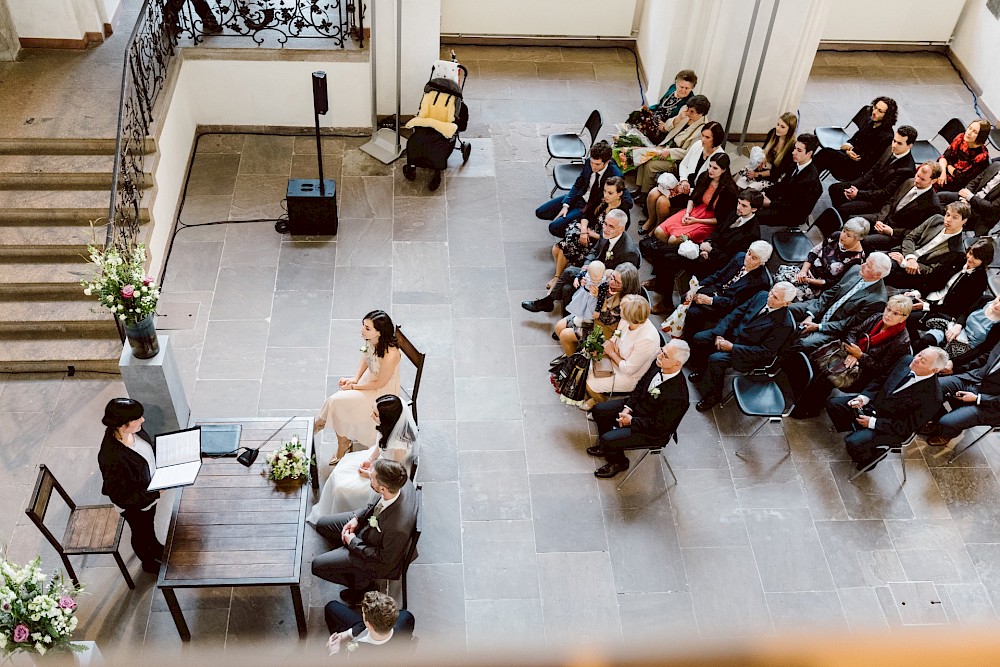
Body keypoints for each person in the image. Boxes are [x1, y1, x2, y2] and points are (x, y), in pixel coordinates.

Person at [312, 459, 417, 605]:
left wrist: (353, 542)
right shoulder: (399, 481)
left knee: (317, 566)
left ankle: (363, 586)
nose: (369, 477)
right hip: (367, 525)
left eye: (372, 478)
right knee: (322, 525)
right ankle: (345, 556)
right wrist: (356, 518)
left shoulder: (397, 528)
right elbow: (374, 503)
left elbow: (384, 559)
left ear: (383, 489)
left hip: (374, 556)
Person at [826, 347, 948, 472]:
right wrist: (864, 397)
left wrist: (873, 423)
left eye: (923, 361)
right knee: (833, 404)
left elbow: (906, 427)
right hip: (875, 404)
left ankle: (871, 458)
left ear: (934, 370)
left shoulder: (933, 398)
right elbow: (881, 380)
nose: (916, 360)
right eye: (919, 355)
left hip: (891, 426)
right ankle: (855, 429)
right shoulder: (906, 360)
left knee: (853, 442)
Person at [792, 296, 913, 419]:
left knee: (827, 375)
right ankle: (801, 397)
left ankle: (808, 409)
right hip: (851, 354)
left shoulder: (901, 341)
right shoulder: (877, 317)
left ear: (904, 317)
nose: (888, 315)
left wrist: (860, 356)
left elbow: (881, 369)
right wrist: (853, 351)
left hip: (866, 374)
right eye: (888, 309)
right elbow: (853, 332)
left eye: (895, 313)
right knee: (818, 361)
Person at [643, 189, 763, 313]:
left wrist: (710, 251)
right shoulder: (735, 213)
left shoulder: (752, 234)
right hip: (706, 249)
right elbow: (717, 231)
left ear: (754, 209)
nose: (739, 207)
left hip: (715, 264)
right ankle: (659, 283)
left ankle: (666, 302)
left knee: (669, 258)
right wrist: (707, 242)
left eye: (744, 206)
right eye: (739, 203)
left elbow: (733, 259)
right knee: (659, 249)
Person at [588, 340, 691, 479]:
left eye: (665, 355)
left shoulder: (678, 396)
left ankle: (619, 462)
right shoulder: (658, 363)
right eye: (662, 350)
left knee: (607, 439)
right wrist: (628, 408)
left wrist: (631, 421)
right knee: (599, 410)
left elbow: (659, 426)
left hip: (652, 431)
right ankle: (609, 447)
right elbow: (641, 385)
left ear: (677, 364)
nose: (659, 355)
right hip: (639, 407)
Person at [308, 395, 417, 525]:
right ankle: (328, 513)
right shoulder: (387, 427)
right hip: (380, 463)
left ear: (387, 419)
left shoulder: (399, 446)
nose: (372, 416)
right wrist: (371, 459)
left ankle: (339, 519)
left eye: (375, 414)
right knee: (340, 470)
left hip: (387, 477)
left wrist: (370, 474)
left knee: (341, 489)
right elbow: (380, 444)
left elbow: (392, 473)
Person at [688, 282, 797, 412]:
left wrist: (732, 348)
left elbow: (764, 352)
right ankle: (702, 370)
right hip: (733, 334)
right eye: (771, 292)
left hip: (747, 351)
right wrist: (719, 333)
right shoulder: (762, 295)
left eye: (775, 297)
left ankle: (713, 395)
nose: (770, 297)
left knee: (716, 359)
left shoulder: (784, 325)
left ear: (786, 304)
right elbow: (737, 313)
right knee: (699, 338)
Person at [315, 310, 401, 465]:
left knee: (337, 402)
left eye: (367, 328)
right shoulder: (372, 339)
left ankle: (325, 428)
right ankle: (338, 438)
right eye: (363, 325)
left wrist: (354, 387)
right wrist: (354, 378)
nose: (362, 330)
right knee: (336, 401)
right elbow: (366, 357)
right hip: (368, 381)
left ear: (380, 332)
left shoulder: (391, 354)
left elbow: (380, 383)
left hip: (380, 392)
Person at [522, 209, 639, 313]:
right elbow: (594, 251)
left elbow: (620, 282)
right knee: (567, 288)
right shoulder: (607, 233)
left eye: (611, 226)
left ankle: (548, 304)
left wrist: (594, 278)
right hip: (594, 271)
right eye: (605, 224)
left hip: (607, 284)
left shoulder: (628, 252)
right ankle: (564, 319)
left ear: (622, 229)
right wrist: (586, 266)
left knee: (569, 273)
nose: (606, 228)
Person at [97, 398, 164, 574]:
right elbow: (122, 497)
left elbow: (146, 453)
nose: (143, 420)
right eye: (137, 418)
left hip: (148, 493)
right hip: (136, 505)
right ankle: (148, 563)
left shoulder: (135, 432)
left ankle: (155, 547)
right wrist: (156, 493)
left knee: (148, 527)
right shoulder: (111, 458)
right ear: (123, 425)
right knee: (140, 533)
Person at [789, 253, 892, 353]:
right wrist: (811, 314)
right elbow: (830, 293)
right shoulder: (855, 270)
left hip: (834, 328)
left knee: (802, 343)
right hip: (822, 306)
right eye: (865, 262)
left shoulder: (878, 300)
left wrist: (818, 326)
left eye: (868, 266)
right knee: (788, 309)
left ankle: (778, 359)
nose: (862, 265)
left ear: (876, 274)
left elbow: (849, 324)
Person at [642, 121, 726, 233]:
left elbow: (708, 186)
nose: (703, 140)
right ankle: (651, 220)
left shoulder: (719, 157)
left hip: (696, 193)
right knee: (653, 194)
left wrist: (688, 190)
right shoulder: (697, 145)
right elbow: (684, 164)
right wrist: (683, 180)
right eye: (702, 136)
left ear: (716, 139)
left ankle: (658, 226)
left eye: (707, 137)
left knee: (662, 201)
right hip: (684, 183)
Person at [580, 294, 661, 411]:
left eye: (622, 309)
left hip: (632, 375)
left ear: (630, 315)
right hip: (617, 358)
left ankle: (602, 404)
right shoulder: (626, 320)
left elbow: (628, 369)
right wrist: (601, 349)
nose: (619, 309)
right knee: (584, 366)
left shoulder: (647, 339)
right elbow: (616, 337)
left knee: (589, 383)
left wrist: (612, 353)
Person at [678, 241, 773, 339]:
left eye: (754, 258)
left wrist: (710, 300)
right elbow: (717, 275)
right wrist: (696, 288)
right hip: (715, 290)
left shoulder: (761, 281)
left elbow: (737, 304)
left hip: (724, 305)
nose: (748, 258)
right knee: (685, 298)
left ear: (762, 262)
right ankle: (680, 330)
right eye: (749, 253)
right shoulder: (740, 257)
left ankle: (688, 339)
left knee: (692, 313)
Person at [536, 140, 631, 239]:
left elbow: (628, 201)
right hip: (580, 196)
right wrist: (566, 204)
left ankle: (572, 231)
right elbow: (578, 184)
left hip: (588, 207)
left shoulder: (615, 175)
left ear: (607, 162)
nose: (593, 166)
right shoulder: (589, 162)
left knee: (554, 227)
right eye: (592, 163)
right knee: (541, 212)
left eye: (597, 164)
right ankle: (567, 219)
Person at [903, 239, 994, 339]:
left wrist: (926, 306)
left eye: (976, 258)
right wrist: (919, 293)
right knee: (899, 303)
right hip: (929, 298)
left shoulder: (980, 281)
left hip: (942, 311)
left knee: (905, 317)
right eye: (970, 253)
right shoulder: (957, 259)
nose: (970, 258)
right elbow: (934, 279)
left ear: (984, 261)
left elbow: (957, 308)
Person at [550, 176, 627, 290]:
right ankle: (561, 274)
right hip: (588, 230)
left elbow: (612, 237)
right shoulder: (602, 199)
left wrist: (590, 234)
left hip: (599, 242)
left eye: (610, 193)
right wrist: (584, 230)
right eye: (605, 191)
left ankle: (558, 277)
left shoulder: (622, 212)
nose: (605, 195)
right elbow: (586, 213)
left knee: (561, 248)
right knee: (558, 248)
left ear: (619, 193)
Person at [554, 263, 641, 357]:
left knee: (565, 335)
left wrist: (599, 299)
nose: (611, 282)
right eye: (613, 277)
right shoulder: (607, 275)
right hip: (589, 313)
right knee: (559, 327)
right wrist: (584, 282)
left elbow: (607, 321)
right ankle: (572, 351)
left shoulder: (626, 301)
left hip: (603, 328)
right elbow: (590, 272)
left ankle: (573, 361)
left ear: (626, 286)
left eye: (617, 282)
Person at [924, 341, 1000, 447]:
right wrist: (957, 369)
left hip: (993, 405)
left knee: (947, 422)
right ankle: (938, 421)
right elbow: (985, 358)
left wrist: (978, 398)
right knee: (931, 387)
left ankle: (946, 433)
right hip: (976, 378)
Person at [829, 126, 917, 217]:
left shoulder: (907, 169)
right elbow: (873, 170)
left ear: (909, 145)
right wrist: (854, 186)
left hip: (878, 201)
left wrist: (858, 194)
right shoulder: (890, 148)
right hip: (869, 188)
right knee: (835, 189)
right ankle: (840, 217)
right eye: (894, 141)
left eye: (899, 143)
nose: (894, 145)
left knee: (844, 208)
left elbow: (885, 194)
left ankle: (842, 221)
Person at [651, 153, 737, 245]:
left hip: (709, 221)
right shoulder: (704, 177)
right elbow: (693, 198)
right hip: (695, 210)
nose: (710, 170)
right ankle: (667, 249)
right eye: (710, 166)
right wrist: (687, 213)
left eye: (715, 168)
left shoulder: (729, 191)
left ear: (724, 170)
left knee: (674, 240)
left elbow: (721, 219)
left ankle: (672, 250)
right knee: (659, 232)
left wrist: (696, 220)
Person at [634, 95, 712, 196]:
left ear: (701, 114)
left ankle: (644, 193)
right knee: (644, 155)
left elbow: (688, 153)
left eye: (692, 112)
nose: (688, 112)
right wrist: (678, 119)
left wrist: (670, 152)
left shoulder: (703, 129)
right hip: (666, 145)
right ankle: (639, 187)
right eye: (688, 109)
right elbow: (666, 127)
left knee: (650, 165)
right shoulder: (685, 112)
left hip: (677, 158)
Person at [776, 217, 868, 301]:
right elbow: (814, 252)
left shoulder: (856, 259)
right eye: (844, 231)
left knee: (784, 294)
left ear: (858, 239)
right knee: (779, 280)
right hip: (807, 272)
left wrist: (808, 280)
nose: (843, 236)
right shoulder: (836, 236)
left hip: (817, 286)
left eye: (848, 235)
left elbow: (833, 283)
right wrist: (803, 271)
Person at [884, 201, 970, 290]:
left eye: (955, 218)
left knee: (879, 265)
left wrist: (905, 263)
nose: (948, 219)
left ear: (964, 221)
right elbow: (910, 237)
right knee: (875, 260)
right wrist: (910, 258)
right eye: (947, 215)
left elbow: (932, 271)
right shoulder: (935, 219)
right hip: (903, 253)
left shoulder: (958, 250)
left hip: (913, 273)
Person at [860, 161, 943, 252]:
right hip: (884, 219)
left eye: (922, 179)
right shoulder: (909, 182)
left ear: (933, 181)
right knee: (854, 221)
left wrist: (892, 232)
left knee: (865, 241)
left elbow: (919, 232)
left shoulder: (933, 205)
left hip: (897, 236)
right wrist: (880, 219)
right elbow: (891, 201)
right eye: (917, 175)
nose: (917, 180)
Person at [812, 97, 897, 181]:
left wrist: (850, 149)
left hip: (857, 168)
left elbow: (868, 160)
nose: (874, 112)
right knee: (824, 155)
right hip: (850, 156)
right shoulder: (870, 121)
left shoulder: (886, 137)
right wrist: (849, 145)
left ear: (887, 116)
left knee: (825, 155)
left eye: (880, 111)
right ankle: (809, 181)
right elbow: (857, 137)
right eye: (875, 107)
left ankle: (808, 182)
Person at [755, 133, 823, 228]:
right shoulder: (795, 163)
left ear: (809, 153)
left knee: (754, 216)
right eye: (795, 148)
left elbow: (794, 208)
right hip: (783, 202)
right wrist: (764, 193)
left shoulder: (809, 181)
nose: (793, 152)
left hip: (792, 215)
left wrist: (770, 204)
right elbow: (783, 185)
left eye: (799, 150)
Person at [324, 591, 415, 655]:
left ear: (369, 624)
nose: (361, 613)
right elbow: (365, 627)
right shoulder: (406, 618)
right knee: (331, 607)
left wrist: (334, 653)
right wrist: (348, 634)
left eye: (363, 613)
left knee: (331, 608)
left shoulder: (359, 654)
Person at [735, 112, 798, 191]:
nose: (778, 128)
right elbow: (764, 148)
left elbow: (777, 173)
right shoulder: (773, 132)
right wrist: (763, 158)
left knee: (751, 187)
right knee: (742, 174)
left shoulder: (791, 148)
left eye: (782, 127)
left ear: (790, 130)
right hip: (765, 166)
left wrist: (756, 174)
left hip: (773, 176)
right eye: (778, 124)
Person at [938, 161, 1000, 235]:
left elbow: (992, 208)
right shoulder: (996, 165)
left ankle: (942, 228)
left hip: (980, 212)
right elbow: (975, 181)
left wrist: (970, 197)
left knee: (955, 214)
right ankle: (938, 222)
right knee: (940, 197)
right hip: (968, 197)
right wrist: (964, 198)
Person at [935, 119, 992, 192]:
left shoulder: (981, 156)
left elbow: (961, 178)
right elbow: (944, 157)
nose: (969, 132)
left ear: (981, 136)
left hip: (956, 185)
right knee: (925, 171)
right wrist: (943, 172)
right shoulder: (961, 137)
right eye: (969, 128)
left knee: (930, 181)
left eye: (974, 132)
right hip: (945, 171)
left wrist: (947, 165)